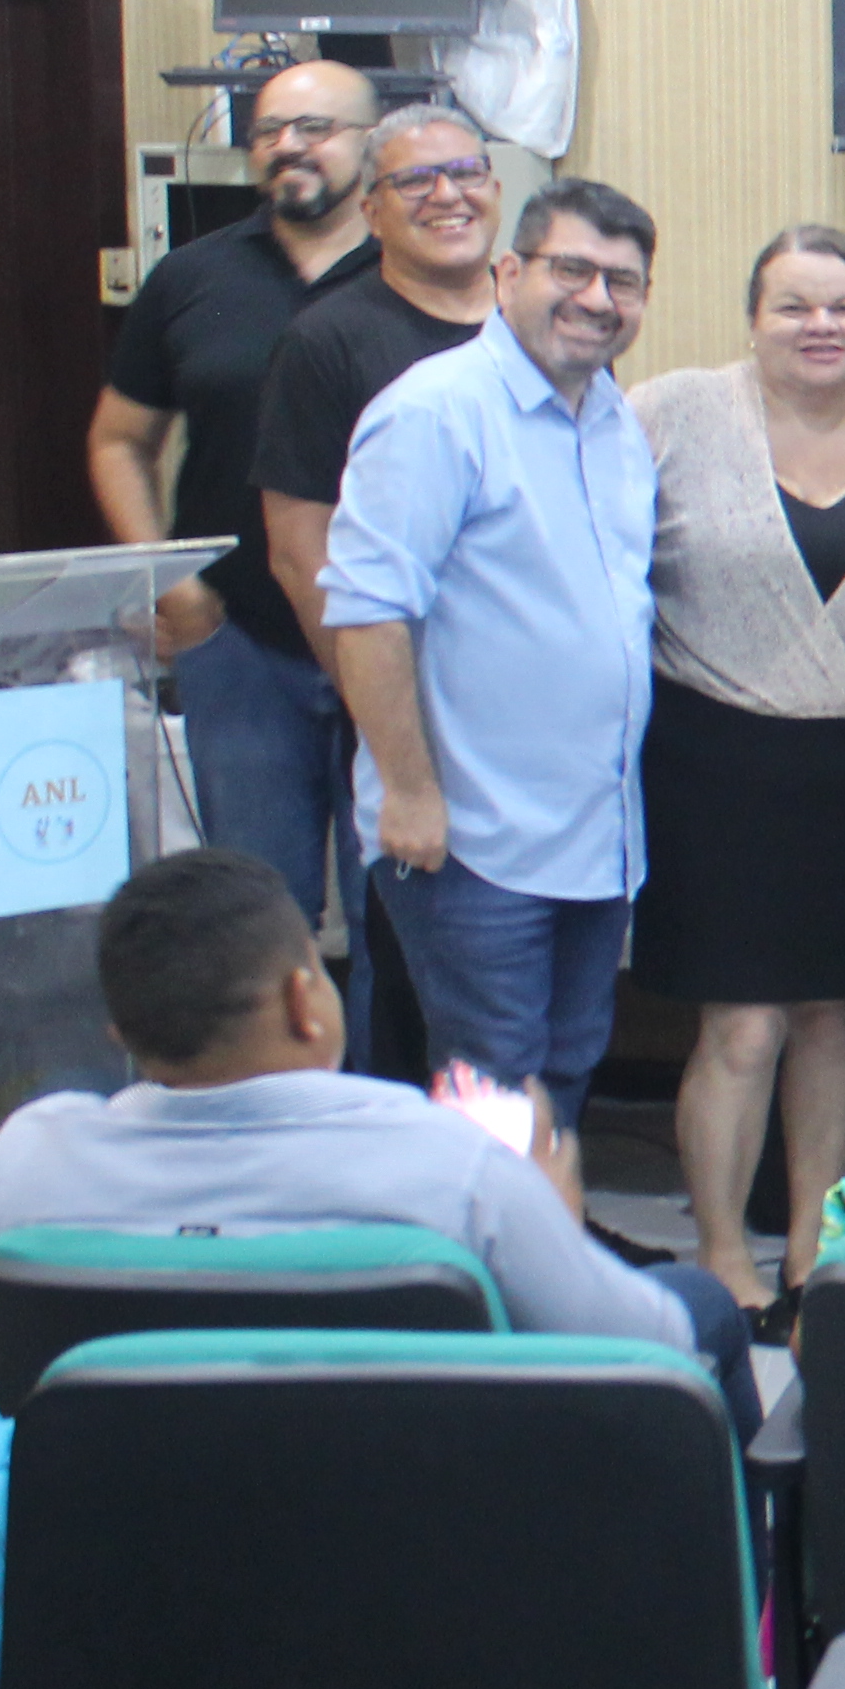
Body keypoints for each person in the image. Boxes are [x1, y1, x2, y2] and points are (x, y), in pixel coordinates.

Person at [0, 848, 735, 1394]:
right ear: (305, 1002)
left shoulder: (27, 1162)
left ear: (121, 1031)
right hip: (414, 1548)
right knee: (703, 1312)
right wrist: (552, 1223)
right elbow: (643, 1355)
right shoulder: (453, 1164)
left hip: (116, 1558)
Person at [318, 178, 663, 1131]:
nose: (598, 299)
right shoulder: (436, 412)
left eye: (624, 283)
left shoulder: (612, 419)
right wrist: (412, 792)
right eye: (573, 270)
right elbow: (367, 614)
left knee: (567, 1063)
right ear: (509, 272)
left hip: (595, 836)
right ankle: (486, 1275)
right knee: (493, 1082)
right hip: (472, 838)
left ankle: (545, 1254)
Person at [632, 223, 845, 1310]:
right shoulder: (671, 412)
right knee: (741, 1023)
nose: (820, 326)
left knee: (837, 1017)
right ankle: (720, 1253)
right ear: (753, 318)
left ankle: (813, 1249)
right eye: (794, 305)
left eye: (844, 306)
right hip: (716, 758)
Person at [86, 61, 373, 922]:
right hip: (240, 649)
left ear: (370, 142)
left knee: (396, 923)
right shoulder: (191, 278)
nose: (289, 147)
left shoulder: (418, 280)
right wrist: (173, 587)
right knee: (255, 920)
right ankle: (265, 1067)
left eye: (315, 128)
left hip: (391, 641)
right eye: (268, 131)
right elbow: (117, 441)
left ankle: (369, 1067)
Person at [250, 101, 499, 1076]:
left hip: (527, 735)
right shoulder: (330, 342)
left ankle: (526, 1201)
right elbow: (298, 544)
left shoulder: (543, 328)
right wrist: (378, 701)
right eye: (414, 181)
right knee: (416, 980)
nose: (447, 195)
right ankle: (417, 1212)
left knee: (511, 1002)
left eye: (466, 171)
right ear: (371, 214)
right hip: (411, 730)